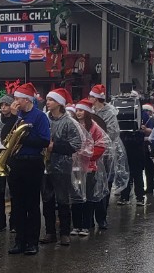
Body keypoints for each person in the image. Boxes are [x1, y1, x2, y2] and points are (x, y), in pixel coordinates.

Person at [7, 82, 51, 256]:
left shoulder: (39, 117)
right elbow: (6, 136)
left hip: (32, 162)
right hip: (16, 162)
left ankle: (32, 242)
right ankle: (19, 240)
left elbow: (44, 141)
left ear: (26, 100)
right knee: (17, 204)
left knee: (32, 203)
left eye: (17, 98)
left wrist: (22, 138)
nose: (15, 101)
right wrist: (11, 118)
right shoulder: (16, 116)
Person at [41, 88, 83, 246]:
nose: (48, 102)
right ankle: (50, 232)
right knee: (47, 200)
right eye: (47, 99)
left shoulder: (69, 122)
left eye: (51, 100)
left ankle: (65, 232)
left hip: (62, 166)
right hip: (45, 165)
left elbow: (76, 144)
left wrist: (55, 147)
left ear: (59, 103)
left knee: (63, 200)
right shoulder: (44, 118)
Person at [89, 83, 129, 225]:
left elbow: (113, 132)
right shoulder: (89, 111)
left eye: (91, 96)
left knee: (105, 184)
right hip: (91, 151)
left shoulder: (110, 113)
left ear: (96, 98)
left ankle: (102, 217)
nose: (89, 98)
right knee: (91, 184)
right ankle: (90, 218)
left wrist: (99, 139)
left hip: (106, 153)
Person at [71, 99, 110, 234]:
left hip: (89, 168)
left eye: (81, 110)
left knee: (87, 197)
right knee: (76, 196)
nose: (78, 113)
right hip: (74, 168)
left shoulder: (94, 127)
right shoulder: (73, 125)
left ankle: (86, 225)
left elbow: (101, 144)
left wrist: (89, 156)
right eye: (77, 110)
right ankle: (76, 225)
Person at [0, 94, 17, 234]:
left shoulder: (17, 120)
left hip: (12, 159)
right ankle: (0, 222)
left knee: (14, 192)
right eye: (2, 105)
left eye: (6, 105)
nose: (3, 107)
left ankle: (14, 221)